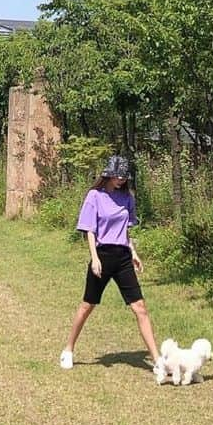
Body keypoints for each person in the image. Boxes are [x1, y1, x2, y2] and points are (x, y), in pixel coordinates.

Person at [59, 154, 161, 371]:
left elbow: (126, 228)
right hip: (102, 255)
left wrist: (133, 252)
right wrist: (94, 258)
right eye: (118, 177)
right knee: (88, 305)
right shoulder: (94, 196)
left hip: (123, 256)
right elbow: (89, 229)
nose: (121, 180)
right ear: (108, 174)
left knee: (140, 307)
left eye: (124, 177)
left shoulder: (128, 198)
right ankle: (68, 349)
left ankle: (157, 360)